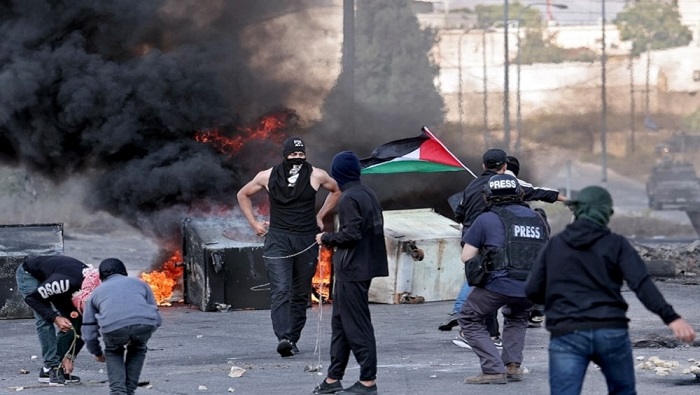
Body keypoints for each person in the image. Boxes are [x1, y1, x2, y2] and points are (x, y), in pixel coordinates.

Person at [525, 186, 696, 394]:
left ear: (578, 210)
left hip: (567, 332)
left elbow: (533, 290)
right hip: (610, 331)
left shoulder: (555, 246)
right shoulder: (617, 244)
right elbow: (641, 284)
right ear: (606, 212)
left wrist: (557, 302)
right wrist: (672, 318)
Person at [444, 150, 564, 348]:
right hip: (496, 242)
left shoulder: (473, 185)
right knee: (494, 283)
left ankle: (489, 335)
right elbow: (541, 192)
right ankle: (501, 341)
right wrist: (570, 200)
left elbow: (460, 213)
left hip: (474, 239)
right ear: (505, 167)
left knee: (481, 281)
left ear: (484, 166)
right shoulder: (512, 185)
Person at [237, 136, 341, 357]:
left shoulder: (316, 174)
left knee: (300, 293)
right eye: (293, 155)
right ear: (285, 155)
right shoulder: (267, 175)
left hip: (305, 240)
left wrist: (321, 216)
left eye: (300, 154)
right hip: (278, 239)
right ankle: (283, 337)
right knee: (281, 290)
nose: (297, 158)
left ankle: (292, 339)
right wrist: (254, 223)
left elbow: (336, 191)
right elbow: (243, 194)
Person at [459, 173, 548, 384]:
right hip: (531, 288)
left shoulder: (485, 219)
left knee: (469, 318)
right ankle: (512, 366)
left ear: (488, 196)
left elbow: (466, 257)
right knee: (517, 318)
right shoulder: (538, 218)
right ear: (519, 194)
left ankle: (492, 369)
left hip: (498, 284)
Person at [312, 151, 388, 395]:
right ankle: (333, 378)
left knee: (356, 325)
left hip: (353, 269)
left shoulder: (348, 199)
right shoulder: (368, 193)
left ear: (338, 174)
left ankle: (368, 381)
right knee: (341, 325)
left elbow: (351, 235)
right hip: (362, 267)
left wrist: (326, 238)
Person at [82, 258, 162, 395]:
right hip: (144, 324)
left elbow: (88, 327)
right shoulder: (140, 283)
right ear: (124, 272)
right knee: (138, 348)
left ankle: (118, 391)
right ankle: (129, 390)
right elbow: (153, 309)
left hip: (113, 328)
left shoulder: (96, 292)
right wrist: (150, 328)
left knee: (113, 351)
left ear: (101, 277)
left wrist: (97, 352)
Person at [15, 255, 89, 385]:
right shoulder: (65, 283)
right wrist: (55, 317)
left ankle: (55, 367)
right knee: (45, 320)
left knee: (76, 320)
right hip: (31, 275)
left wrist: (70, 356)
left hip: (58, 278)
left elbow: (89, 326)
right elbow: (32, 299)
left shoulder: (92, 289)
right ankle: (52, 367)